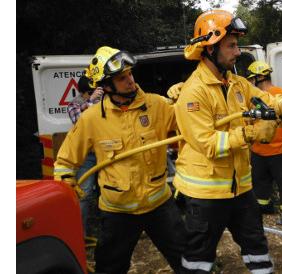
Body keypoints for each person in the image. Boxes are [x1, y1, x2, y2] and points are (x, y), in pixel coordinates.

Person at [173, 10, 282, 273]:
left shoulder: (237, 84)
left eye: (237, 45)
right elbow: (207, 142)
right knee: (199, 257)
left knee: (256, 246)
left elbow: (266, 100)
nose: (237, 51)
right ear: (209, 49)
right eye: (231, 45)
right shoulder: (193, 92)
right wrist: (250, 134)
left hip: (241, 190)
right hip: (206, 194)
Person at [54, 46, 186, 274]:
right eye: (121, 78)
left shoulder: (157, 105)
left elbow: (191, 124)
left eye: (130, 75)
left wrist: (187, 97)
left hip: (159, 205)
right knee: (110, 267)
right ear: (105, 86)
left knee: (188, 261)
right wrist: (66, 184)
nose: (130, 81)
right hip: (117, 212)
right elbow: (66, 160)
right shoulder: (91, 119)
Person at [246, 61, 282, 225]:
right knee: (260, 182)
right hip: (259, 150)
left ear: (260, 77)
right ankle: (264, 207)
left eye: (251, 79)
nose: (249, 82)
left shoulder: (280, 95)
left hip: (278, 150)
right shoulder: (254, 98)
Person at [67, 75, 103, 237]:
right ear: (84, 93)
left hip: (104, 154)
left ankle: (110, 231)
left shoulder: (101, 102)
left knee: (109, 191)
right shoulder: (74, 105)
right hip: (87, 156)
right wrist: (90, 103)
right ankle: (80, 236)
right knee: (85, 194)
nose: (95, 94)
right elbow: (80, 122)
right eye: (91, 92)